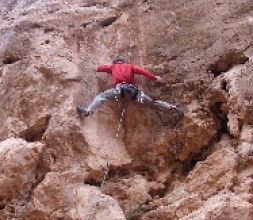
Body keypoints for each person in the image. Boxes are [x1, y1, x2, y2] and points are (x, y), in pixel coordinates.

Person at [76, 56, 182, 117]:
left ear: (115, 62)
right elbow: (143, 71)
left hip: (119, 91)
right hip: (134, 93)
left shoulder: (113, 67)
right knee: (151, 102)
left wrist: (95, 68)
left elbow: (101, 68)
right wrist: (155, 78)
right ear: (123, 61)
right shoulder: (130, 66)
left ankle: (88, 111)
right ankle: (171, 107)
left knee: (102, 97)